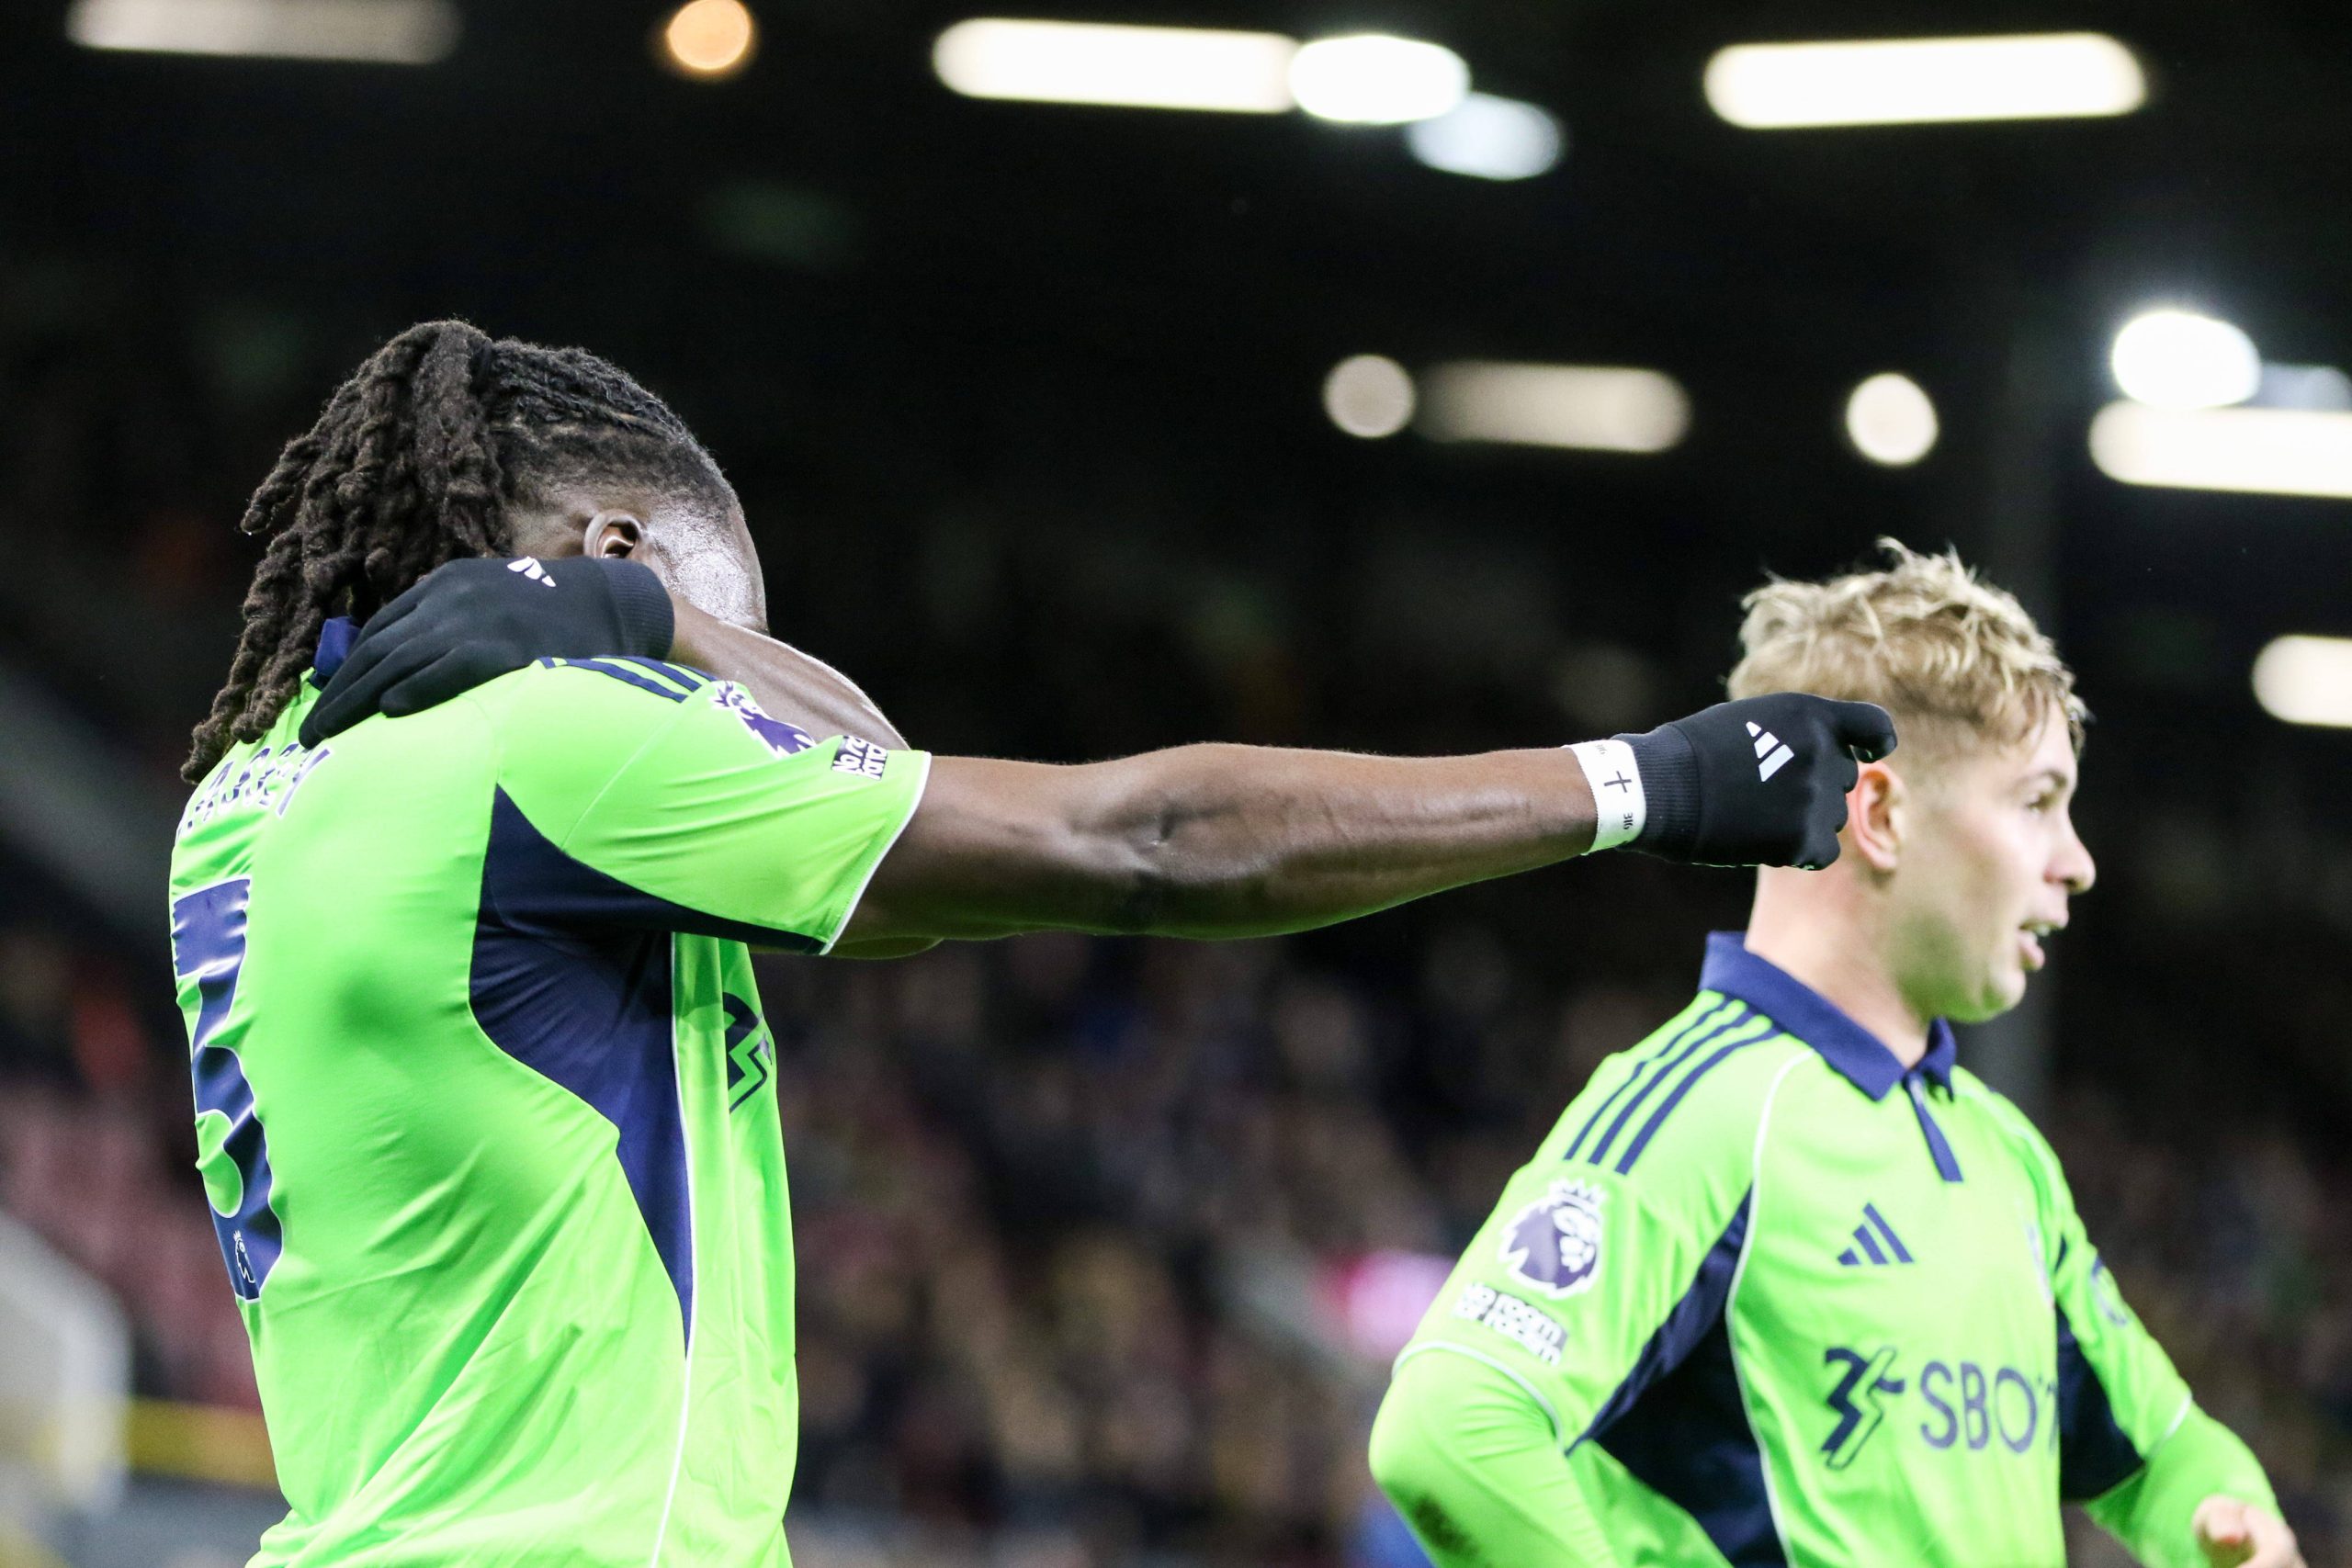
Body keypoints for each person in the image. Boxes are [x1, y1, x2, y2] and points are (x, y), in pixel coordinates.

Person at [167, 320, 1894, 1568]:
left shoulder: (243, 804)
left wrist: (653, 615)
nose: (732, 685)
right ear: (603, 552)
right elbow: (1133, 843)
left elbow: (857, 751)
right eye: (712, 623)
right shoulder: (546, 750)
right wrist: (1636, 782)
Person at [1367, 542, 2299, 1568]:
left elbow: (2161, 1456)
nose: (2075, 862)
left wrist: (2224, 1514)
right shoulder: (1709, 1106)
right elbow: (1451, 1429)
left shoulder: (2004, 1156)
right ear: (1883, 814)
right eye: (2036, 802)